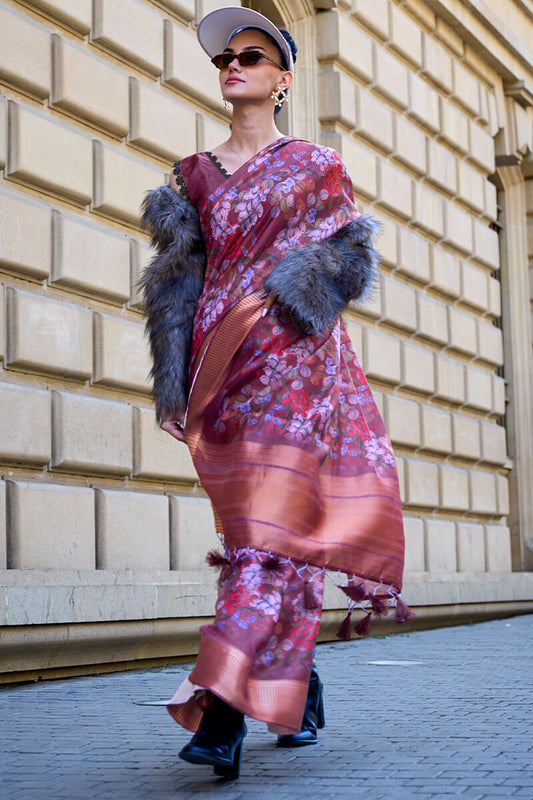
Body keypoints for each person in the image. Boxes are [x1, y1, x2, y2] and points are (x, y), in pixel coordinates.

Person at [140, 6, 410, 780]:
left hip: (295, 366)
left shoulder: (317, 164)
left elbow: (348, 259)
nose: (234, 65)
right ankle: (303, 685)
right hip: (220, 376)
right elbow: (177, 286)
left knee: (262, 543)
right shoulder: (189, 176)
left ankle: (219, 713)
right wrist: (172, 381)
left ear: (282, 79)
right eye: (226, 57)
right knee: (267, 543)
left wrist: (289, 298)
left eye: (251, 56)